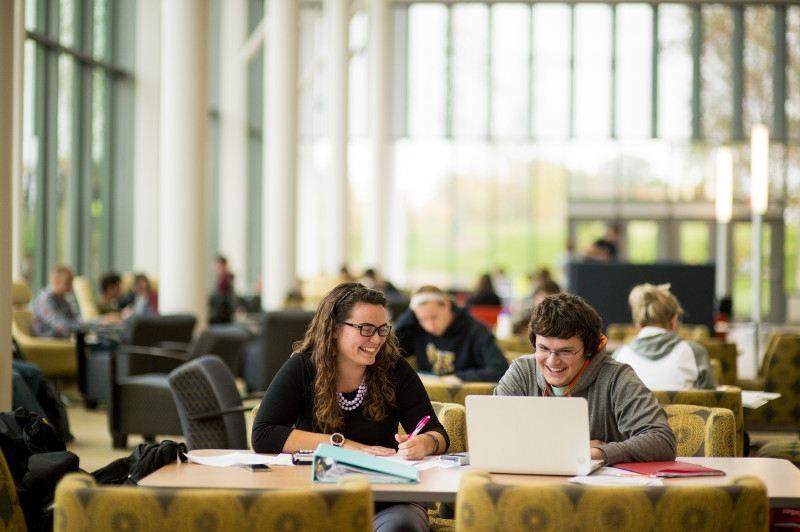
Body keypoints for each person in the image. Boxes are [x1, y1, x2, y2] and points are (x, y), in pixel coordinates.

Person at [252, 283, 448, 532]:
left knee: (401, 527)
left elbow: (437, 433)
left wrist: (425, 443)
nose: (376, 339)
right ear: (334, 329)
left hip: (389, 500)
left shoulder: (395, 369)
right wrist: (343, 445)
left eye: (381, 329)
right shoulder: (302, 368)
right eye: (366, 329)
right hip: (316, 494)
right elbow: (264, 435)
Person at [494, 293, 675, 465]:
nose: (552, 360)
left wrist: (598, 453)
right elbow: (492, 432)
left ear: (589, 350)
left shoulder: (617, 378)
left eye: (566, 351)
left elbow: (662, 440)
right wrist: (568, 448)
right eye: (543, 348)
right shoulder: (521, 371)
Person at [394, 286, 508, 383]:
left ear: (447, 304)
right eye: (423, 319)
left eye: (434, 317)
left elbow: (500, 369)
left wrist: (460, 377)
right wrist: (410, 312)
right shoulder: (415, 328)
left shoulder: (475, 330)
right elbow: (390, 353)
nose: (430, 326)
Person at [614, 283, 715, 390]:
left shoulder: (618, 357)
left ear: (637, 324)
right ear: (674, 320)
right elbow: (710, 399)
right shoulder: (695, 353)